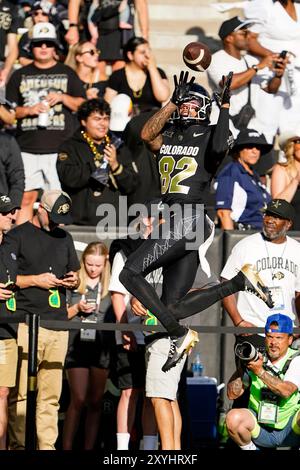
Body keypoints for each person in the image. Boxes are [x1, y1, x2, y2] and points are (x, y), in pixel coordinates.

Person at [119, 71, 273, 372]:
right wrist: (170, 104)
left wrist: (225, 107)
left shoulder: (211, 133)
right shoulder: (170, 134)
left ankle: (178, 334)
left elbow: (219, 149)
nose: (187, 108)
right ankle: (239, 283)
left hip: (189, 219)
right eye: (184, 104)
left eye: (192, 103)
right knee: (172, 307)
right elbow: (146, 135)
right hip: (174, 220)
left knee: (129, 274)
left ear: (204, 107)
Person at [6, 189, 80, 450]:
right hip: (27, 323)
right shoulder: (18, 235)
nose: (59, 224)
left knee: (51, 396)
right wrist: (35, 280)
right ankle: (18, 446)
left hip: (58, 323)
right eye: (54, 218)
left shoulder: (65, 237)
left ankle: (46, 447)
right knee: (22, 394)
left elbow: (77, 275)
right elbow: (7, 279)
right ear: (40, 209)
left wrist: (74, 280)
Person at [6, 21, 86, 224]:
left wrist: (62, 98)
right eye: (38, 43)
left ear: (55, 47)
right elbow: (8, 112)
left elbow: (84, 105)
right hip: (27, 147)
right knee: (25, 198)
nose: (43, 48)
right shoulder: (18, 75)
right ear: (30, 47)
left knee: (58, 201)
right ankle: (21, 242)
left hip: (59, 148)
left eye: (48, 44)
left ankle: (55, 243)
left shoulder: (68, 73)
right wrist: (29, 110)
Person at [221, 198, 300, 356]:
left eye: (276, 217)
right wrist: (238, 321)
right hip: (253, 330)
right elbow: (225, 286)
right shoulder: (245, 246)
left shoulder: (297, 250)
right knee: (250, 379)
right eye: (267, 215)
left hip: (285, 332)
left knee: (285, 380)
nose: (270, 220)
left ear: (288, 223)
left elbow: (299, 295)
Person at [56, 98, 139, 225]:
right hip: (80, 222)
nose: (103, 124)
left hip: (114, 222)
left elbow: (132, 185)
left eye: (106, 119)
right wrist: (95, 167)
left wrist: (115, 166)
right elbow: (67, 177)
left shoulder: (118, 146)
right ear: (83, 121)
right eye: (97, 119)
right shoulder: (70, 146)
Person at [108, 237, 158, 451]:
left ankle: (149, 448)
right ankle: (122, 450)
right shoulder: (125, 251)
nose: (152, 223)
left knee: (153, 395)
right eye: (148, 218)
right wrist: (125, 330)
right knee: (129, 391)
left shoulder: (168, 247)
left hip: (158, 334)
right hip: (132, 333)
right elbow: (117, 294)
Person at [63, 242, 113, 450]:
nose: (93, 269)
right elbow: (61, 315)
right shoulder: (74, 282)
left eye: (98, 265)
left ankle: (89, 447)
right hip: (76, 345)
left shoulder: (111, 288)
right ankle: (66, 446)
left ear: (105, 264)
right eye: (89, 264)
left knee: (95, 402)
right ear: (83, 262)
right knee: (78, 399)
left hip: (101, 347)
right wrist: (77, 307)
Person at [226, 313, 300, 450]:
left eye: (279, 338)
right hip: (260, 427)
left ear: (290, 340)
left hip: (290, 428)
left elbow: (286, 391)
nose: (273, 343)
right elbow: (232, 394)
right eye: (270, 337)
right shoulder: (258, 358)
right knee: (233, 418)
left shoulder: (296, 359)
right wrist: (243, 367)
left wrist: (259, 371)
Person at [207, 15, 286, 142]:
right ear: (229, 38)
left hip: (247, 126)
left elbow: (271, 89)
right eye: (244, 33)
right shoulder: (216, 59)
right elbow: (228, 84)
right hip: (222, 124)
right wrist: (257, 67)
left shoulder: (250, 60)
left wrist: (278, 75)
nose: (248, 37)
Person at [243, 0, 300, 136]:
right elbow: (249, 40)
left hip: (296, 73)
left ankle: (289, 157)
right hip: (270, 73)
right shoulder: (262, 5)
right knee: (267, 123)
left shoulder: (298, 5)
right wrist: (275, 57)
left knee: (294, 124)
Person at [215, 128, 272, 230]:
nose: (255, 151)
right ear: (239, 150)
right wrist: (230, 242)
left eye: (258, 147)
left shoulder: (254, 175)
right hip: (242, 235)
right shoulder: (230, 172)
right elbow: (223, 213)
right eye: (250, 146)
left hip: (261, 233)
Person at [104, 36, 170, 116]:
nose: (148, 56)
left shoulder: (158, 72)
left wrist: (152, 68)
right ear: (130, 55)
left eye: (149, 51)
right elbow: (108, 104)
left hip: (151, 121)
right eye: (142, 52)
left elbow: (163, 97)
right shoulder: (117, 76)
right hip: (125, 122)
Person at [0, 195, 20, 449]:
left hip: (6, 330)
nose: (12, 216)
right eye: (5, 213)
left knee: (3, 393)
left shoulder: (12, 245)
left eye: (13, 212)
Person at [271, 127, 300, 230]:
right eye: (299, 142)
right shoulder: (281, 169)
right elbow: (277, 206)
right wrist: (296, 180)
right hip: (293, 233)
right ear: (291, 146)